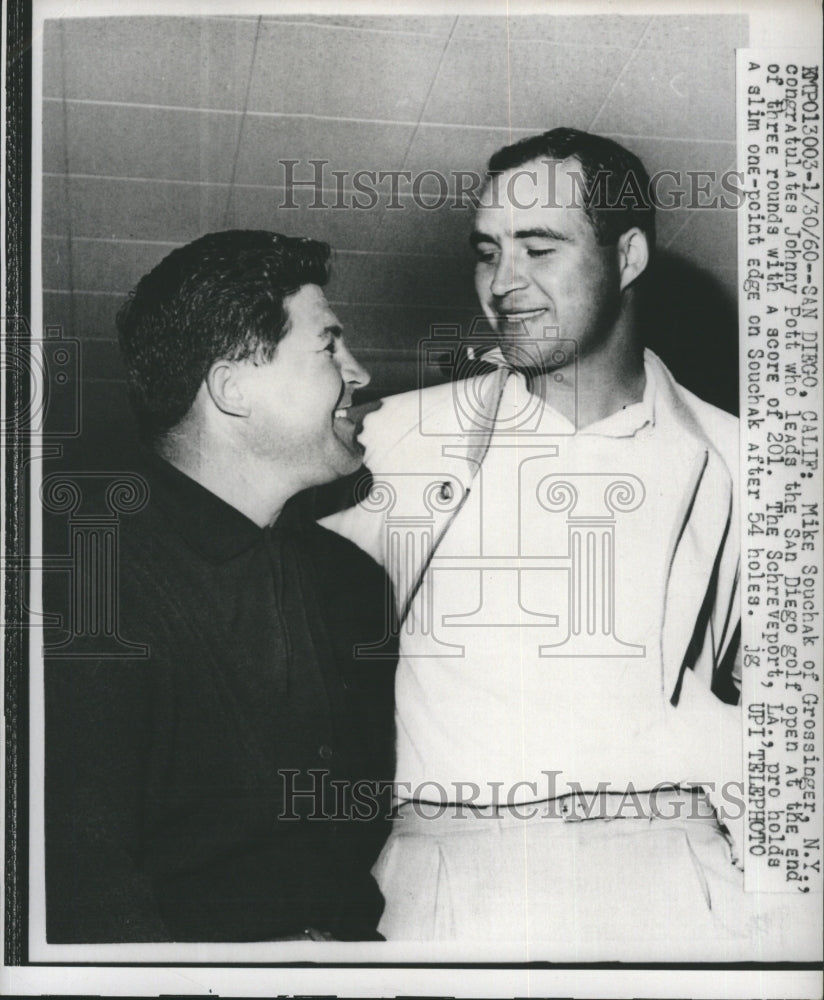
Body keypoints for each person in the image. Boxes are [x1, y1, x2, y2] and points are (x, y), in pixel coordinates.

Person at [322, 129, 816, 958]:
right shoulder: (391, 442)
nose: (503, 285)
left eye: (539, 247)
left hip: (676, 887)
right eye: (488, 252)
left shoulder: (758, 471)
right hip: (446, 883)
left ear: (627, 257)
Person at [44, 230, 396, 942]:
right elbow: (80, 881)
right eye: (328, 345)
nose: (357, 372)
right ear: (233, 387)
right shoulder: (88, 585)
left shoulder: (351, 583)